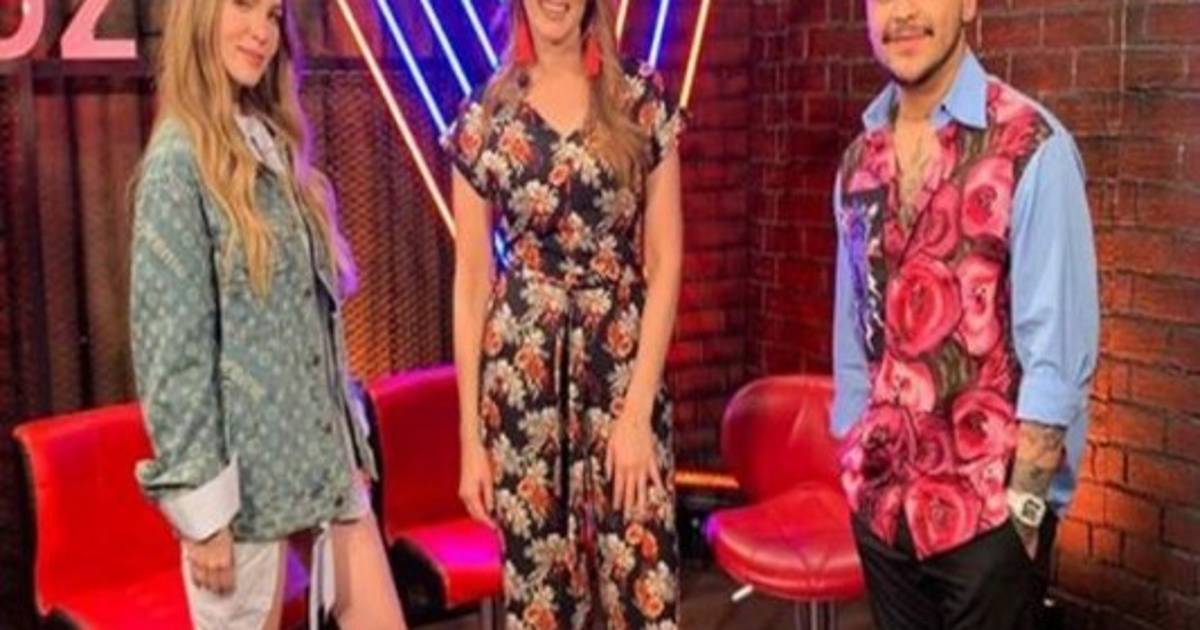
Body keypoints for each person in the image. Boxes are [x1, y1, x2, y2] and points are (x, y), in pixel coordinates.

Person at [129, 0, 405, 627]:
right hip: (241, 491)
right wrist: (203, 514)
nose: (261, 31)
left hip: (323, 465)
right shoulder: (177, 163)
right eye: (244, 6)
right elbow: (174, 357)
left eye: (274, 16)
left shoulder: (271, 143)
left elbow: (314, 328)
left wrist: (347, 450)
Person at [830, 1, 1099, 628]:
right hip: (884, 514)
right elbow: (854, 330)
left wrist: (1023, 521)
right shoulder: (857, 163)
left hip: (989, 528)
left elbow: (1057, 360)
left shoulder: (1032, 147)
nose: (903, 13)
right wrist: (853, 459)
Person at [444, 0, 685, 627]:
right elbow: (471, 284)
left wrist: (637, 412)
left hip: (623, 373)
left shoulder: (640, 98)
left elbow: (665, 260)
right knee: (541, 606)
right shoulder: (483, 116)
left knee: (645, 592)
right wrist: (471, 441)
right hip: (521, 384)